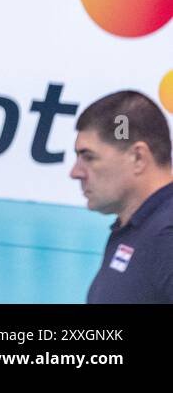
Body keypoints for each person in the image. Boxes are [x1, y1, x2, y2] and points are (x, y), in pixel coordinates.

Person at [71, 90, 173, 303]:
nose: (75, 172)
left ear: (138, 158)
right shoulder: (134, 228)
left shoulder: (166, 237)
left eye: (89, 157)